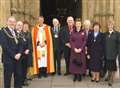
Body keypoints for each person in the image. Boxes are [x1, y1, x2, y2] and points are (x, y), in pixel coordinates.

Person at [0, 16, 23, 88]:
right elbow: (5, 46)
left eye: (13, 22)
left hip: (17, 59)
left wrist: (19, 53)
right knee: (7, 80)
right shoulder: (3, 31)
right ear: (7, 22)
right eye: (10, 21)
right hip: (8, 60)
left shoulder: (16, 32)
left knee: (18, 78)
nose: (12, 23)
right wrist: (14, 55)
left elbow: (20, 44)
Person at [104, 19, 119, 86]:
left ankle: (111, 80)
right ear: (107, 26)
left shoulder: (117, 34)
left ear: (113, 25)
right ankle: (109, 76)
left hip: (114, 54)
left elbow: (119, 44)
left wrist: (118, 53)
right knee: (108, 67)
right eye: (109, 24)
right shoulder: (105, 34)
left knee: (113, 67)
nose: (110, 26)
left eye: (111, 24)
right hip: (107, 53)